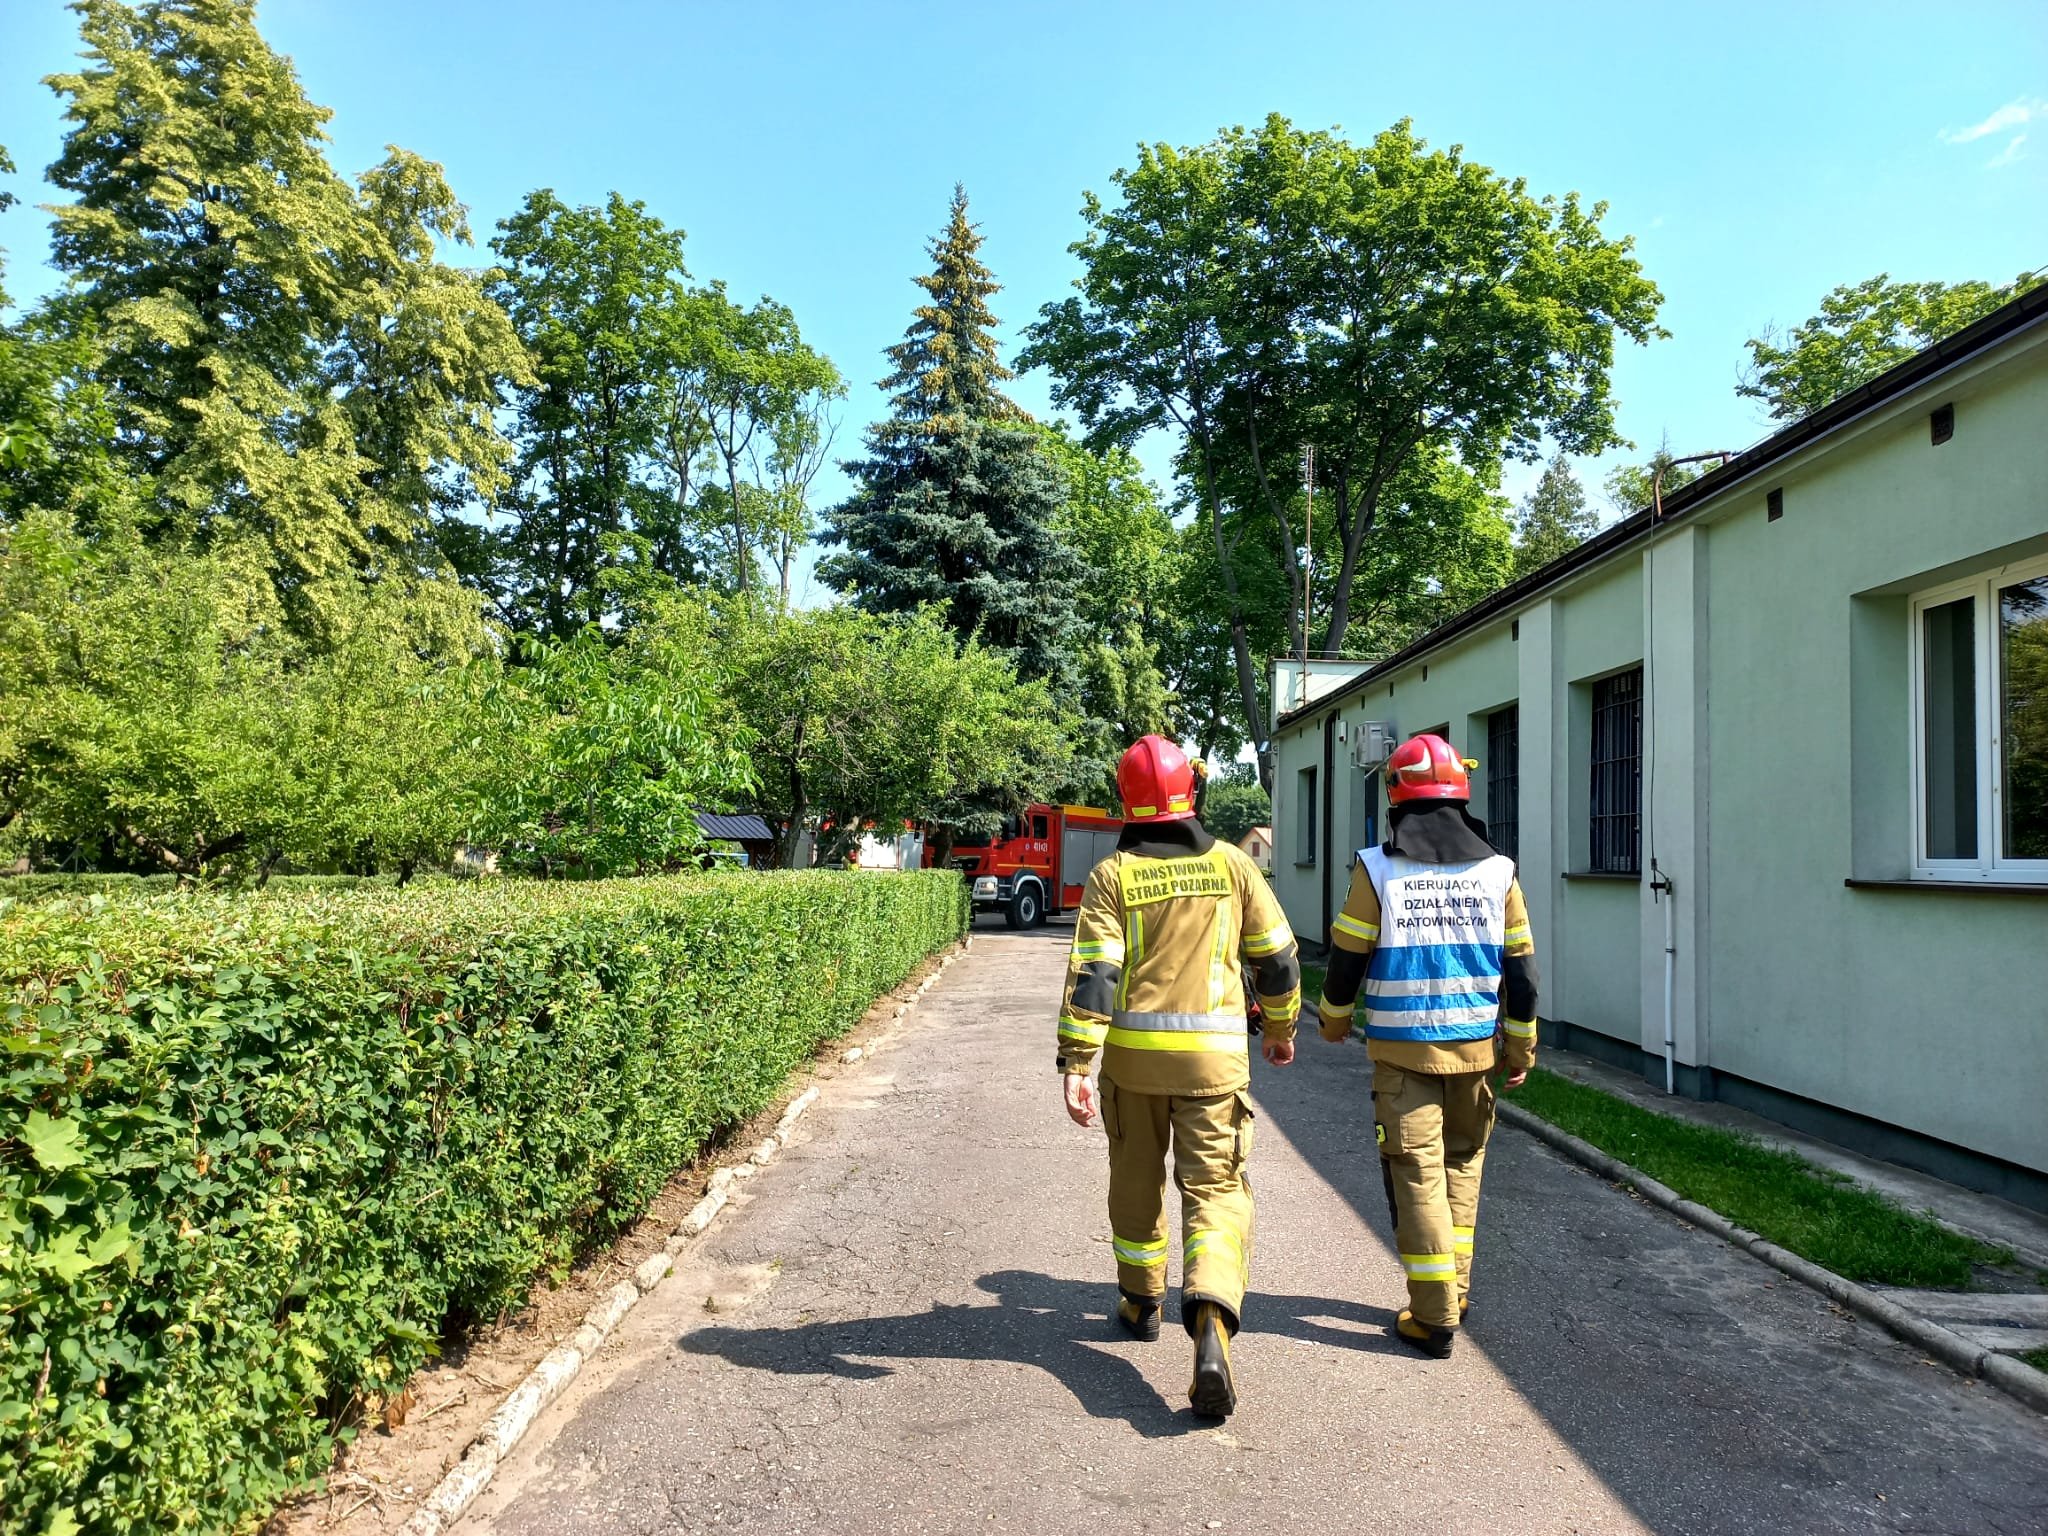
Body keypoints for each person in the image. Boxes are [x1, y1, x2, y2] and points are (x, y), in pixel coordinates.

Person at [1055, 735, 1302, 1417]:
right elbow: (1278, 961)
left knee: (1136, 1183)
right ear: (1190, 792)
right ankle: (1212, 1320)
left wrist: (1078, 1061)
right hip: (1215, 1069)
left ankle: (1141, 1303)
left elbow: (1096, 976)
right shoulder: (1233, 865)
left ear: (1125, 801)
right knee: (1216, 1191)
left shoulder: (1113, 876)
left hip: (1133, 1069)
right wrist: (1280, 1030)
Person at [1314, 732, 1539, 1358]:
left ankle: (1434, 1315)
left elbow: (1347, 957)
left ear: (1397, 796)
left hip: (1403, 1056)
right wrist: (1521, 1048)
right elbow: (1522, 972)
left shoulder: (1377, 869)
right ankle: (1454, 1292)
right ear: (1461, 794)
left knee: (1415, 1174)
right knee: (1461, 1165)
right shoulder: (1499, 872)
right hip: (1476, 1055)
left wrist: (1332, 1022)